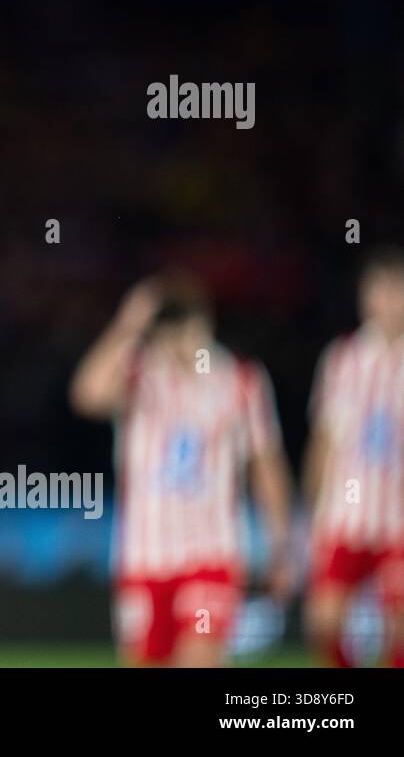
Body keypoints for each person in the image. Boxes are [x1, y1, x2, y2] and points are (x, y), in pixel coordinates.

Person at [70, 273, 293, 666]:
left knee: (198, 660)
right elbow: (87, 395)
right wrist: (128, 323)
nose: (177, 337)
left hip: (212, 553)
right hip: (143, 557)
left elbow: (266, 465)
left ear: (204, 320)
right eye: (167, 326)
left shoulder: (240, 380)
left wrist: (280, 543)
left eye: (184, 323)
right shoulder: (138, 375)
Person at [304, 246, 404, 667]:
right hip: (344, 513)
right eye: (379, 290)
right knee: (323, 621)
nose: (387, 299)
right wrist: (308, 508)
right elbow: (325, 438)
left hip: (399, 517)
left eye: (396, 289)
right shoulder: (342, 359)